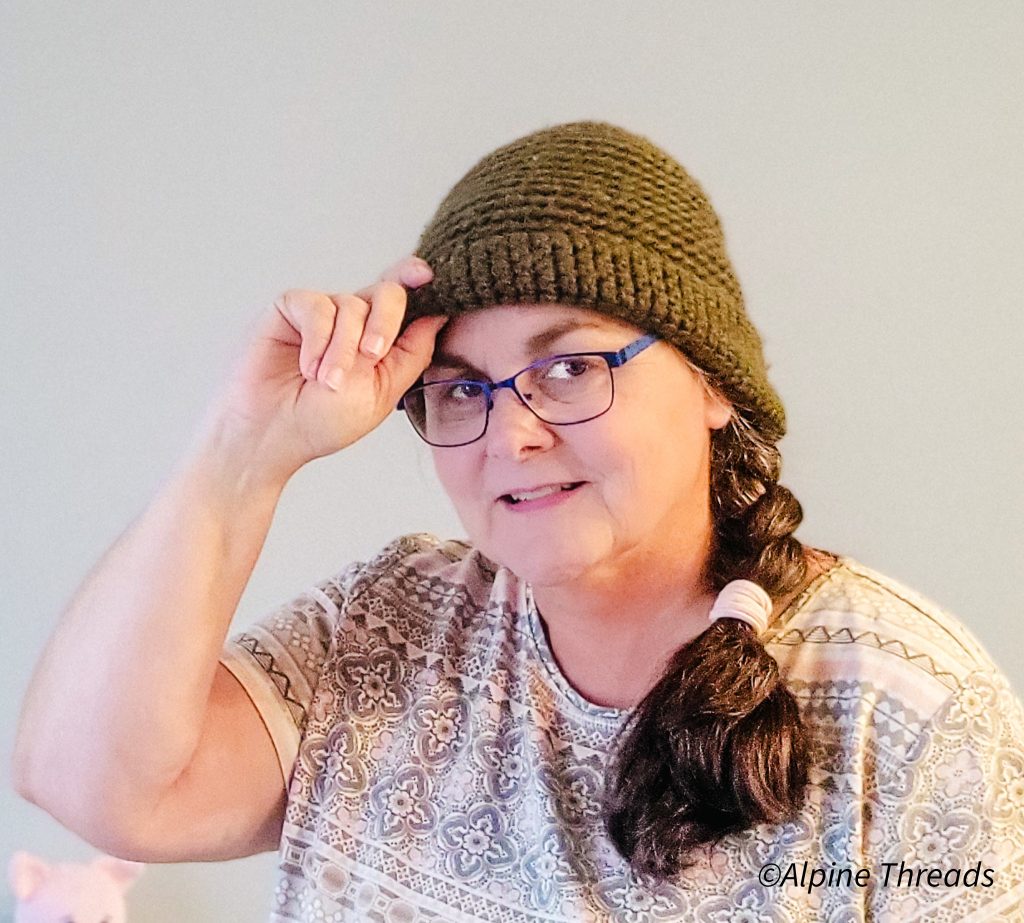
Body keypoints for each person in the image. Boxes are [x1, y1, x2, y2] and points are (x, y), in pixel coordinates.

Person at [13, 121, 1024, 922]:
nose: (513, 432)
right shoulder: (389, 623)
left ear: (713, 384)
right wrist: (242, 446)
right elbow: (87, 781)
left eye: (570, 366)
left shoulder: (910, 712)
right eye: (460, 389)